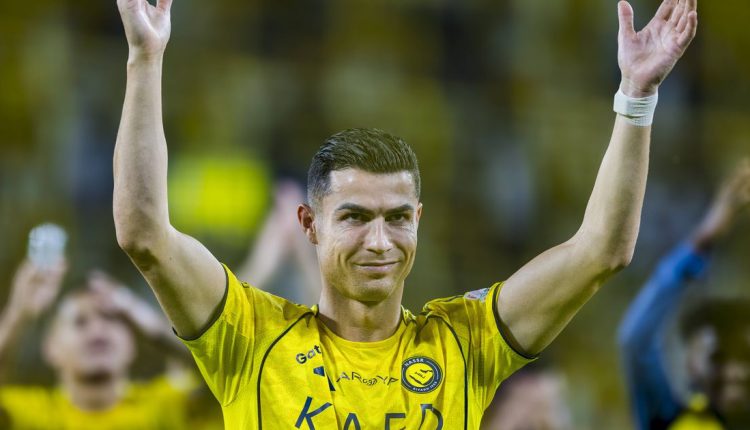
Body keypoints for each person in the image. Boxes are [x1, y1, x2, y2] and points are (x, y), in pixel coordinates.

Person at [113, 0, 698, 427]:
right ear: (309, 225)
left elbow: (601, 251)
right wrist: (145, 58)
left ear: (419, 218)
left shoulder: (463, 344)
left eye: (397, 217)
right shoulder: (251, 336)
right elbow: (143, 234)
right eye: (353, 217)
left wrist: (636, 97)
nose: (379, 241)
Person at [619, 159, 750, 430]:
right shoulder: (670, 420)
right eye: (717, 359)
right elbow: (637, 341)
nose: (735, 373)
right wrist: (702, 241)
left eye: (746, 357)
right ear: (691, 364)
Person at [0, 257, 197, 429]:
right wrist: (18, 313)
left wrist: (142, 317)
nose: (97, 331)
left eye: (111, 318)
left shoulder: (164, 408)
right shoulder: (30, 416)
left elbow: (212, 369)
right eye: (80, 322)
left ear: (132, 342)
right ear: (50, 347)